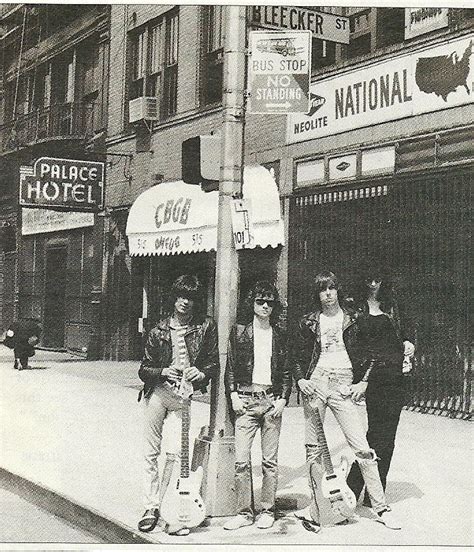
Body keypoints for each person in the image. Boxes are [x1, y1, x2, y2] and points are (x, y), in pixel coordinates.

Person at [293, 270, 401, 531]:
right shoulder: (308, 321)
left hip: (343, 383)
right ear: (317, 293)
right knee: (313, 449)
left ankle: (380, 506)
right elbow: (295, 354)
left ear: (337, 290)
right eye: (322, 290)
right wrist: (300, 379)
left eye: (331, 288)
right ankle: (317, 505)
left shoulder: (354, 317)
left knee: (362, 448)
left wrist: (362, 381)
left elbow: (372, 353)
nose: (327, 294)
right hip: (316, 382)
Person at [137, 274, 218, 534]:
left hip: (184, 396)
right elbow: (144, 369)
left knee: (176, 454)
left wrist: (201, 373)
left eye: (191, 298)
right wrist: (162, 371)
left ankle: (168, 505)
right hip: (158, 393)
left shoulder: (205, 326)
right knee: (151, 452)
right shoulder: (158, 329)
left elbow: (213, 363)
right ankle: (151, 506)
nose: (185, 302)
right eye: (181, 296)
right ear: (174, 298)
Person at [224, 281, 291, 530]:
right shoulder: (240, 331)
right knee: (241, 461)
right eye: (260, 301)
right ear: (252, 303)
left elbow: (286, 369)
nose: (265, 306)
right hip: (246, 401)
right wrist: (233, 395)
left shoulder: (280, 334)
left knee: (269, 462)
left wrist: (284, 398)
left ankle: (267, 510)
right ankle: (243, 513)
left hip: (271, 400)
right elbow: (230, 365)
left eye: (269, 302)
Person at [347, 268, 415, 503]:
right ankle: (354, 488)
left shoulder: (392, 305)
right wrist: (361, 378)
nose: (373, 283)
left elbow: (405, 332)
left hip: (395, 376)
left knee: (389, 435)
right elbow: (356, 346)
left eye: (377, 279)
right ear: (363, 280)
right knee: (376, 435)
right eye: (369, 279)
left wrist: (409, 343)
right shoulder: (355, 308)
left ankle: (373, 492)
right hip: (372, 377)